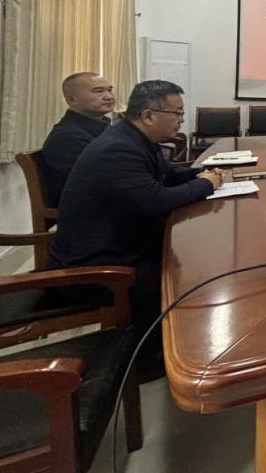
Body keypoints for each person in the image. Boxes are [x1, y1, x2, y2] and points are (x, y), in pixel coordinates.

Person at [47, 80, 223, 377]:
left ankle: (177, 343)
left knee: (194, 253)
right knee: (188, 269)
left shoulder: (134, 138)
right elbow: (156, 201)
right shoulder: (117, 149)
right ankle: (153, 362)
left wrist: (201, 174)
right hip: (96, 267)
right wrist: (206, 185)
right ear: (148, 116)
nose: (182, 120)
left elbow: (167, 175)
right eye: (177, 113)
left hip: (122, 244)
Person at [39, 72, 116, 206]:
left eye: (109, 90)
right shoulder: (68, 137)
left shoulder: (103, 126)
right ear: (72, 100)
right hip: (87, 208)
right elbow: (102, 181)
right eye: (98, 91)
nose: (109, 96)